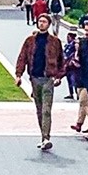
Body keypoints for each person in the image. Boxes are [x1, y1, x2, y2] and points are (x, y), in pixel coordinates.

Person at [13, 13, 66, 152]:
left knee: (46, 110)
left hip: (48, 79)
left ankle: (46, 137)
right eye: (40, 21)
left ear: (48, 24)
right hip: (34, 79)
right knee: (39, 109)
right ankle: (43, 136)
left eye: (44, 21)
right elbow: (22, 57)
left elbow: (62, 60)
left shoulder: (55, 41)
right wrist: (18, 75)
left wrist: (59, 76)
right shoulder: (30, 41)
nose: (41, 23)